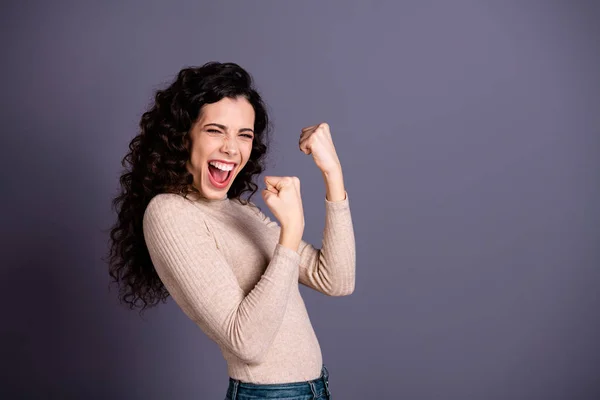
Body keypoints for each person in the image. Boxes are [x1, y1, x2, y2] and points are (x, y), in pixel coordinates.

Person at [106, 62, 355, 399]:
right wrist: (291, 232)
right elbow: (246, 342)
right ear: (183, 136)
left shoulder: (238, 209)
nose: (231, 147)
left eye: (244, 134)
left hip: (315, 389)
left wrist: (332, 173)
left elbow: (336, 280)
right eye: (215, 130)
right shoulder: (169, 213)